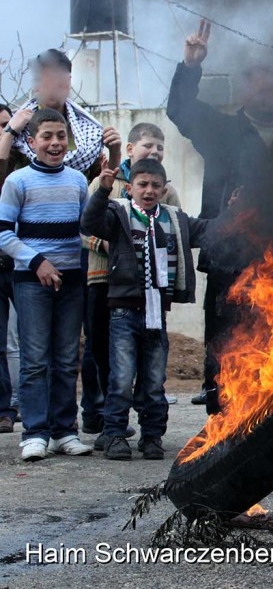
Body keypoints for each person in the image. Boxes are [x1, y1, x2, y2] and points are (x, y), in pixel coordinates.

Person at [167, 19, 273, 414]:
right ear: (243, 91)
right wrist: (190, 66)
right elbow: (180, 110)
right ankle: (223, 422)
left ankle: (269, 421)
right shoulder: (221, 131)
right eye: (257, 85)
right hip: (230, 255)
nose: (266, 93)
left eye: (272, 86)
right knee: (226, 342)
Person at [82, 159, 208, 459]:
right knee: (121, 379)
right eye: (142, 184)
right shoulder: (119, 214)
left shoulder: (174, 219)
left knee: (153, 381)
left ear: (164, 189)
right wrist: (103, 190)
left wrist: (234, 210)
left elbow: (206, 229)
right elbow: (89, 223)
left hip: (156, 315)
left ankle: (152, 437)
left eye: (155, 185)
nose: (149, 190)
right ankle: (114, 435)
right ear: (130, 188)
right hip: (123, 313)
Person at [0, 109, 95, 460]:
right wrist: (36, 261)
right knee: (35, 359)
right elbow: (2, 232)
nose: (55, 144)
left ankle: (63, 431)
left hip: (72, 282)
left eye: (60, 137)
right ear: (32, 141)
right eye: (47, 137)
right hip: (30, 281)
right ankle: (35, 433)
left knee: (67, 359)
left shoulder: (78, 181)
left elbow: (86, 228)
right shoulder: (18, 181)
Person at [80, 123, 182, 435]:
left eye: (159, 148)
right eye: (148, 145)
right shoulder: (105, 180)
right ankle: (97, 415)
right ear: (129, 149)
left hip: (147, 288)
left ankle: (141, 416)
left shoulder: (168, 190)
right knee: (100, 348)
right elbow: (85, 227)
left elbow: (176, 230)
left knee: (145, 354)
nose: (154, 152)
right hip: (103, 279)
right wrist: (110, 245)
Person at [0, 103, 23, 433]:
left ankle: (29, 407)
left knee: (28, 341)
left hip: (23, 263)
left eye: (7, 124)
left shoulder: (24, 162)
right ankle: (5, 409)